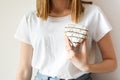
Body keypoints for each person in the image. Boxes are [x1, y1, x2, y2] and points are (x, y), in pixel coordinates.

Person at [14, 0, 117, 80]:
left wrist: (87, 67)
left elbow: (112, 63)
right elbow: (24, 70)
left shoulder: (93, 13)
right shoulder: (30, 19)